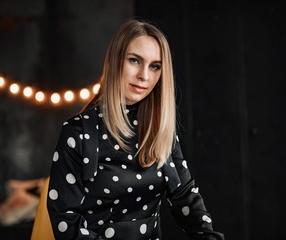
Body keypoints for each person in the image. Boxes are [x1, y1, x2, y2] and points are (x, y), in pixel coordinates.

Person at [47, 18, 225, 240]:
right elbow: (66, 221)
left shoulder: (160, 130)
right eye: (134, 60)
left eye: (155, 66)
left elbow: (184, 198)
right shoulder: (78, 134)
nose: (145, 76)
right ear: (115, 60)